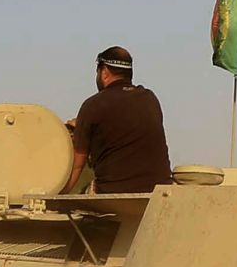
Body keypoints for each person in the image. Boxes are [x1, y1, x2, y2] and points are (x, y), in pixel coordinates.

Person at [65, 46, 173, 194]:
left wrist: (56, 198)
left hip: (115, 194)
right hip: (159, 193)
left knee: (82, 195)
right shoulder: (150, 98)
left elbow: (77, 166)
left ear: (104, 72)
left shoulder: (93, 105)